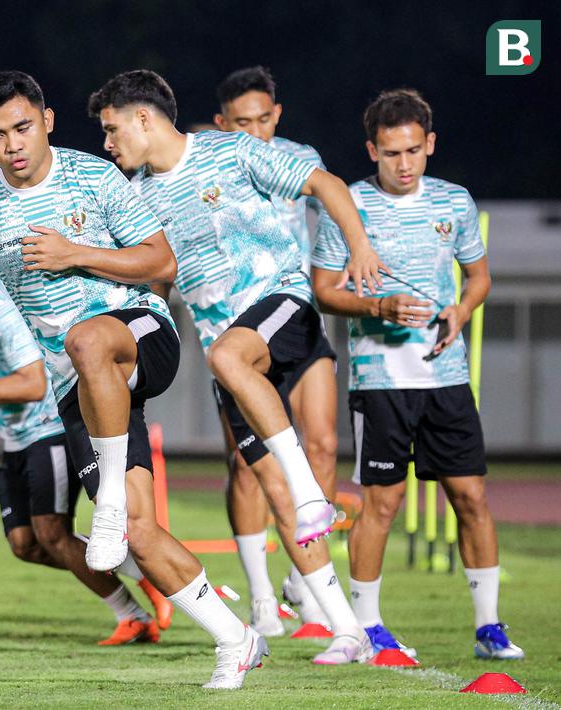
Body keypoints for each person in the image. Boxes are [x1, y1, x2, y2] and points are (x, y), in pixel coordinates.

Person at [0, 70, 266, 689]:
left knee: (85, 339)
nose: (13, 145)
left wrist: (74, 253)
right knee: (139, 533)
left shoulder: (95, 176)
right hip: (78, 386)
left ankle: (105, 500)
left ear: (47, 121)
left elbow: (160, 260)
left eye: (22, 128)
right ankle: (236, 639)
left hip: (139, 334)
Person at [87, 68, 383, 664]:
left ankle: (312, 493)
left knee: (247, 376)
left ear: (143, 118)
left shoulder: (230, 151)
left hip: (282, 306)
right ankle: (348, 630)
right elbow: (153, 279)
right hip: (228, 351)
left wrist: (360, 246)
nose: (107, 143)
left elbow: (324, 183)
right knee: (269, 486)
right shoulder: (135, 196)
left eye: (112, 129)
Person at [312, 88, 523, 660]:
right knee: (382, 504)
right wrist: (377, 307)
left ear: (429, 143)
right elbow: (323, 290)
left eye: (412, 151)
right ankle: (367, 627)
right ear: (371, 151)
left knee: (471, 498)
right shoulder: (348, 206)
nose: (403, 164)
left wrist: (463, 310)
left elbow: (478, 277)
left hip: (447, 379)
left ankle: (489, 628)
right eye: (390, 153)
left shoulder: (454, 202)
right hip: (380, 383)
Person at [0, 211, 171, 645]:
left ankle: (135, 610)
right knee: (25, 544)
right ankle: (143, 572)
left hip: (48, 425)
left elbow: (33, 382)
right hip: (13, 432)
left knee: (52, 532)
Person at [211, 66, 339, 635]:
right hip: (239, 330)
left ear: (277, 116)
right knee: (247, 465)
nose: (256, 132)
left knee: (324, 445)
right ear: (222, 124)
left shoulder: (298, 157)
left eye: (264, 119)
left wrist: (343, 264)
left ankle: (303, 580)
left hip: (298, 318)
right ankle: (262, 597)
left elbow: (329, 213)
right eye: (243, 123)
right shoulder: (210, 169)